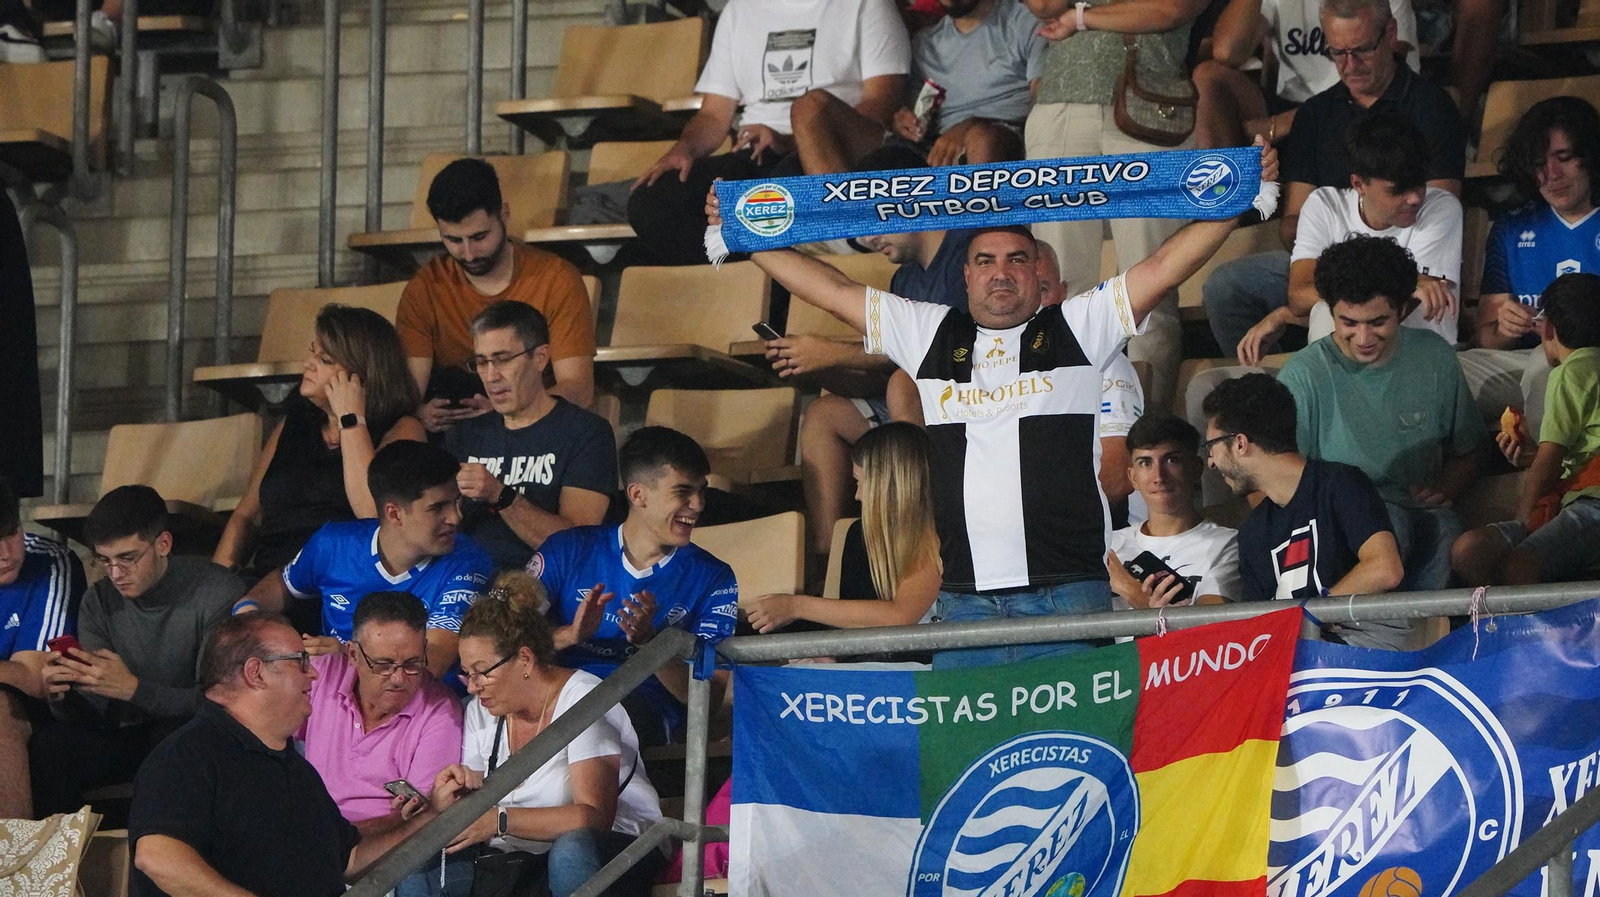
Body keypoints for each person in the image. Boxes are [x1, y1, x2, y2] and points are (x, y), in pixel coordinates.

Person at [708, 140, 1278, 668]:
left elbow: (1164, 266)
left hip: (1069, 595)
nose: (1000, 272)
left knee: (1081, 759)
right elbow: (829, 289)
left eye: (1016, 259)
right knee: (972, 769)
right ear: (965, 275)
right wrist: (743, 232)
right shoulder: (930, 332)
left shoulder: (1078, 326)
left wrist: (1238, 199)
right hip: (965, 600)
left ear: (1038, 274)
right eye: (985, 260)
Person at [1200, 0, 1464, 361]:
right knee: (1226, 285)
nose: (1349, 65)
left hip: (1409, 259)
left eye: (1361, 50)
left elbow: (1429, 206)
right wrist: (1333, 243)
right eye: (1338, 52)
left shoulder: (1432, 107)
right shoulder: (1316, 114)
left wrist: (1358, 265)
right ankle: (1267, 390)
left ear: (1389, 35)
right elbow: (1292, 223)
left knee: (1339, 305)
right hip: (1322, 260)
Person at [128, 613, 445, 897]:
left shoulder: (296, 770)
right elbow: (157, 856)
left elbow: (349, 859)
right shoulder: (187, 755)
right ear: (256, 673)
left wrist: (433, 817)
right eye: (301, 661)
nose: (314, 675)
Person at [1021, 0, 1214, 411]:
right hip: (1061, 108)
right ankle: (1069, 427)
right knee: (1058, 289)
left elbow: (1169, 11)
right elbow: (1041, 6)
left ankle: (1149, 444)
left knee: (1151, 291)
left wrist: (1080, 18)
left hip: (1150, 109)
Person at [626, 0, 909, 266]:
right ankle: (754, 275)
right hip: (758, 151)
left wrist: (788, 140)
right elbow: (713, 114)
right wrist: (684, 148)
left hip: (830, 151)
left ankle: (824, 251)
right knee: (653, 201)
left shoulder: (867, 4)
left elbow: (881, 106)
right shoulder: (740, 9)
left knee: (779, 187)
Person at [1275, 235, 1486, 592]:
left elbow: (1472, 449)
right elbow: (1278, 476)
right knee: (1393, 526)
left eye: (1377, 322)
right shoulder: (1304, 374)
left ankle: (1419, 634)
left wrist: (1445, 487)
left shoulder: (1434, 357)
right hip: (1339, 522)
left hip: (1421, 513)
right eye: (1349, 323)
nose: (1363, 337)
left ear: (1403, 310)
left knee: (1445, 529)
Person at [31, 485, 245, 817]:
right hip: (125, 738)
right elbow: (95, 712)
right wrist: (62, 696)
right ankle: (59, 861)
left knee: (175, 739)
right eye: (104, 560)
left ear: (163, 544)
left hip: (192, 734)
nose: (115, 573)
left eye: (128, 559)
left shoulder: (215, 592)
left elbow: (220, 703)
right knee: (50, 746)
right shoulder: (99, 600)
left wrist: (134, 689)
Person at [528, 427, 737, 745]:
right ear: (638, 494)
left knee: (598, 722)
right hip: (556, 691)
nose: (697, 505)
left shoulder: (714, 577)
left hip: (643, 706)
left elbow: (706, 698)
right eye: (683, 492)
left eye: (701, 491)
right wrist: (569, 635)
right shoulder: (567, 550)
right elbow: (504, 642)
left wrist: (651, 645)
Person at [778, 228, 974, 561]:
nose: (867, 241)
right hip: (914, 403)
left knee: (903, 384)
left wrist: (835, 353)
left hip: (966, 401)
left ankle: (921, 524)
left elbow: (943, 348)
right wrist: (823, 370)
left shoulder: (968, 255)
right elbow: (886, 370)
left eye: (874, 225)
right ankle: (832, 557)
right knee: (825, 413)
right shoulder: (904, 278)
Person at [238, 440, 494, 680]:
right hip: (332, 698)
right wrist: (248, 611)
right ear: (394, 513)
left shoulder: (468, 563)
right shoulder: (333, 544)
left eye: (456, 503)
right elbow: (284, 585)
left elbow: (434, 662)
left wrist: (348, 658)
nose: (455, 518)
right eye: (438, 508)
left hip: (423, 709)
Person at [214, 305, 425, 584]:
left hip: (343, 587)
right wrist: (215, 585)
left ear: (361, 375)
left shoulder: (403, 429)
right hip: (270, 582)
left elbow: (373, 515)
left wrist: (351, 419)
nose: (308, 363)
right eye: (312, 351)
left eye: (325, 359)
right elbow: (246, 517)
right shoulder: (294, 423)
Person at [1233, 113, 1462, 364]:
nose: (1415, 198)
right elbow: (1299, 296)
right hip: (1355, 360)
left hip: (1422, 358)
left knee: (1323, 310)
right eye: (1398, 189)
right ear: (1359, 183)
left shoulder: (1441, 208)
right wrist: (1400, 286)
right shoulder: (1324, 205)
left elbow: (1396, 313)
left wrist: (1284, 315)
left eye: (1418, 184)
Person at [1202, 373, 1408, 648]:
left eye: (1211, 447)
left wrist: (1309, 615)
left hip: (1362, 664)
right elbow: (1260, 627)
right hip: (1293, 668)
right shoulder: (1253, 532)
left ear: (1240, 443)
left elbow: (1385, 568)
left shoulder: (1340, 484)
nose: (1211, 463)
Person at [398, 158, 596, 427]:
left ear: (504, 214)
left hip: (535, 427)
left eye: (479, 237)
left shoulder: (556, 278)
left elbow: (579, 389)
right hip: (453, 432)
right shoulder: (425, 288)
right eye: (453, 240)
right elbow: (409, 394)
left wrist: (504, 410)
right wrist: (420, 413)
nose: (468, 254)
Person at [298, 591, 462, 897]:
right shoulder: (322, 675)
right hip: (306, 835)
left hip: (381, 850)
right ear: (352, 655)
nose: (399, 678)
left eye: (413, 663)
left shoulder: (440, 712)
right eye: (384, 664)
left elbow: (418, 817)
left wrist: (329, 837)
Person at [1459, 97, 1600, 436]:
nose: (1552, 175)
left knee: (1545, 368)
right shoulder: (1511, 229)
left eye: (1564, 158)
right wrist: (1503, 328)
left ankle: (1547, 472)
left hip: (1590, 364)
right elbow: (1487, 338)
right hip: (1523, 363)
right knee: (1440, 372)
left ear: (1591, 158)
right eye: (1539, 163)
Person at [443, 301, 617, 571]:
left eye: (502, 359)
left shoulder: (586, 433)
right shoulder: (465, 436)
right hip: (465, 580)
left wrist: (499, 494)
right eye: (481, 362)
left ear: (540, 358)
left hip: (543, 585)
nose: (491, 376)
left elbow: (577, 546)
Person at [1453, 273, 1600, 586]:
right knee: (1471, 549)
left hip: (1592, 503)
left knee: (1518, 567)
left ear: (1547, 328)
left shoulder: (1570, 373)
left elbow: (1551, 458)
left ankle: (1534, 633)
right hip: (1577, 493)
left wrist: (1522, 519)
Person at [746, 422, 942, 632]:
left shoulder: (943, 535)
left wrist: (795, 606)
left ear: (887, 485)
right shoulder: (860, 536)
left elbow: (901, 616)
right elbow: (855, 623)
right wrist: (832, 655)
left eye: (860, 482)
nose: (857, 496)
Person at [1191, 0, 1419, 149]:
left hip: (1361, 111)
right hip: (1291, 106)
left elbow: (1386, 71)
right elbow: (1227, 53)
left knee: (1371, 96)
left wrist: (1279, 124)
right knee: (1208, 77)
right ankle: (1222, 202)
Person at [1037, 240, 1146, 522]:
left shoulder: (1106, 363)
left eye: (1042, 290)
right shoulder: (987, 367)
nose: (1032, 305)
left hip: (1109, 533)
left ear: (1062, 294)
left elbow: (1116, 478)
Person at [0, 477, 83, 817]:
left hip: (30, 711)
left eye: (12, 533)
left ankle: (13, 861)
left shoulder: (51, 563)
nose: (5, 554)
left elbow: (36, 676)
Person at [1104, 414, 1242, 608]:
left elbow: (1208, 632)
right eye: (1145, 463)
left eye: (1171, 460)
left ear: (1196, 469)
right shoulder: (1109, 546)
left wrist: (1131, 589)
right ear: (1133, 477)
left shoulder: (1227, 545)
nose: (1158, 476)